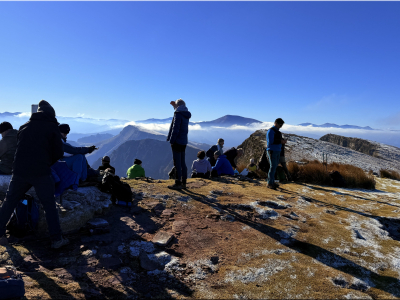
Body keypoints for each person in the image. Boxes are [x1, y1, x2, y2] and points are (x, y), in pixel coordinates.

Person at [0, 100, 69, 249]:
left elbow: (21, 147)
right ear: (52, 113)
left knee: (9, 201)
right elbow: (58, 152)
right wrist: (46, 162)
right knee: (49, 205)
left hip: (19, 171)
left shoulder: (24, 126)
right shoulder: (52, 127)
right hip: (41, 172)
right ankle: (56, 240)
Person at [167, 99, 191, 190]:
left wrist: (172, 141)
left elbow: (175, 129)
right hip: (184, 141)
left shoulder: (178, 114)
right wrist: (175, 106)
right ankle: (184, 182)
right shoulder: (186, 114)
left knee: (177, 163)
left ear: (178, 106)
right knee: (182, 162)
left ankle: (178, 183)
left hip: (177, 141)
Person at [266, 118, 286, 189]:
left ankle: (272, 182)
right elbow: (271, 141)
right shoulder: (271, 131)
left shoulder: (277, 131)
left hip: (277, 150)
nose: (280, 127)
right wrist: (281, 141)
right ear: (276, 123)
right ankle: (269, 183)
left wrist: (282, 141)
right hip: (272, 151)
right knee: (272, 167)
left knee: (274, 167)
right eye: (280, 125)